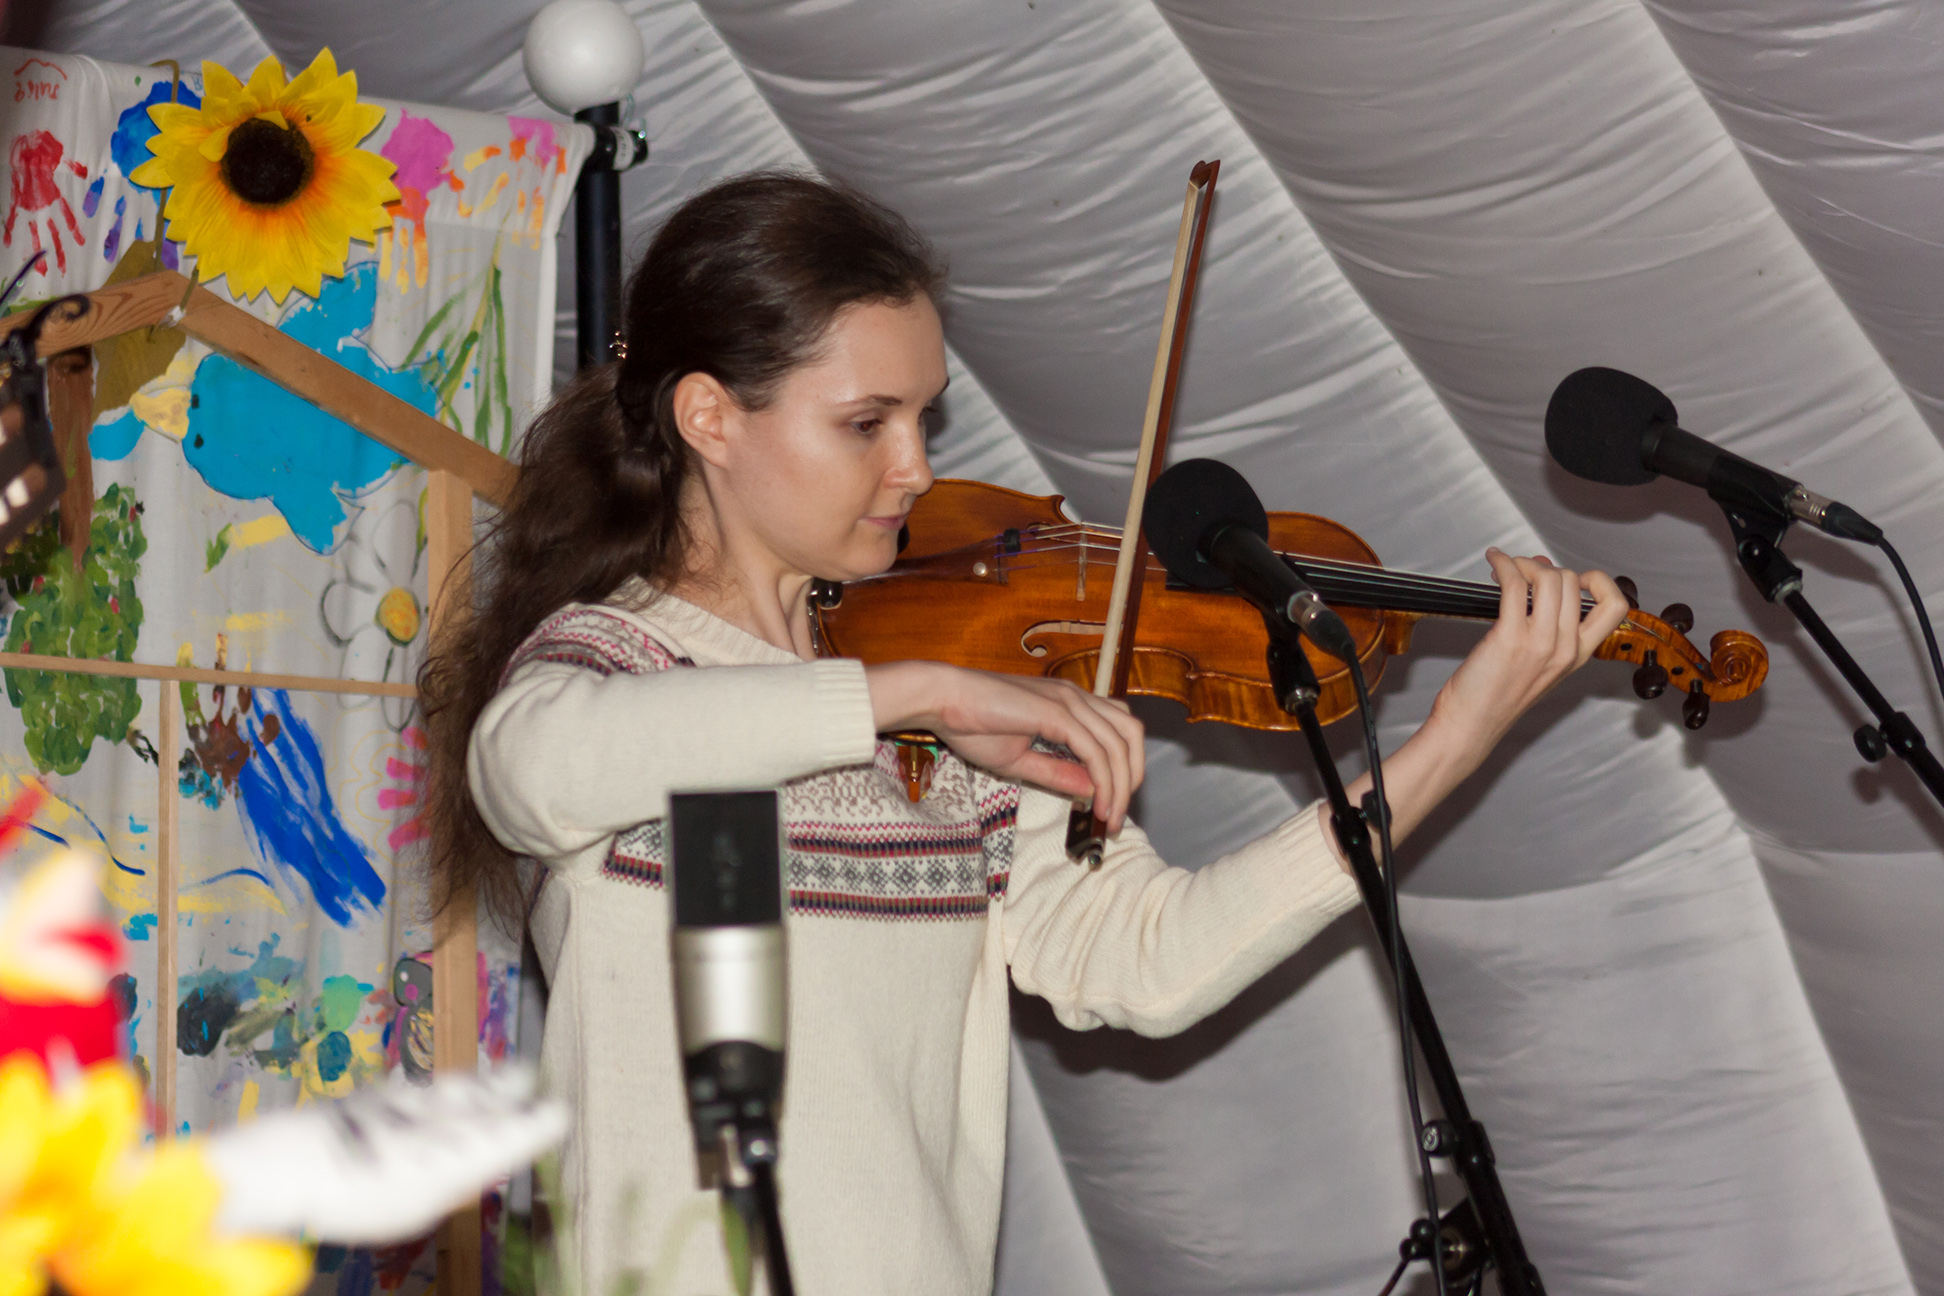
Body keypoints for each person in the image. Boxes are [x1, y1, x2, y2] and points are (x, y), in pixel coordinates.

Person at [422, 172, 1629, 1296]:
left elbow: (1146, 961)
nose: (915, 468)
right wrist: (915, 695)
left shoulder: (954, 720)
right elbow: (529, 767)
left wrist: (1453, 739)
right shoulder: (622, 663)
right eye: (866, 423)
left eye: (924, 418)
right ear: (710, 417)